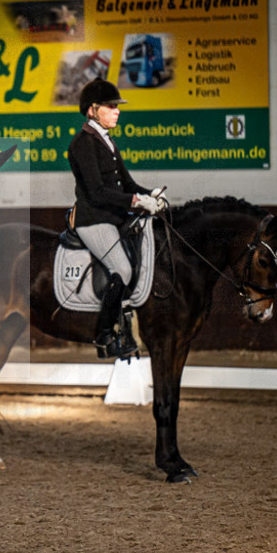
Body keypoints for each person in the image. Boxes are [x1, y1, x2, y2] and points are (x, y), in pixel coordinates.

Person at [67, 77, 168, 359]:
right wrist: (137, 202)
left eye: (117, 106)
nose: (117, 110)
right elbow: (98, 192)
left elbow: (128, 183)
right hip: (94, 220)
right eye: (111, 106)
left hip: (114, 216)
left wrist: (152, 195)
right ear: (92, 110)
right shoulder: (82, 144)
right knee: (121, 270)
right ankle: (103, 334)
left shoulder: (107, 141)